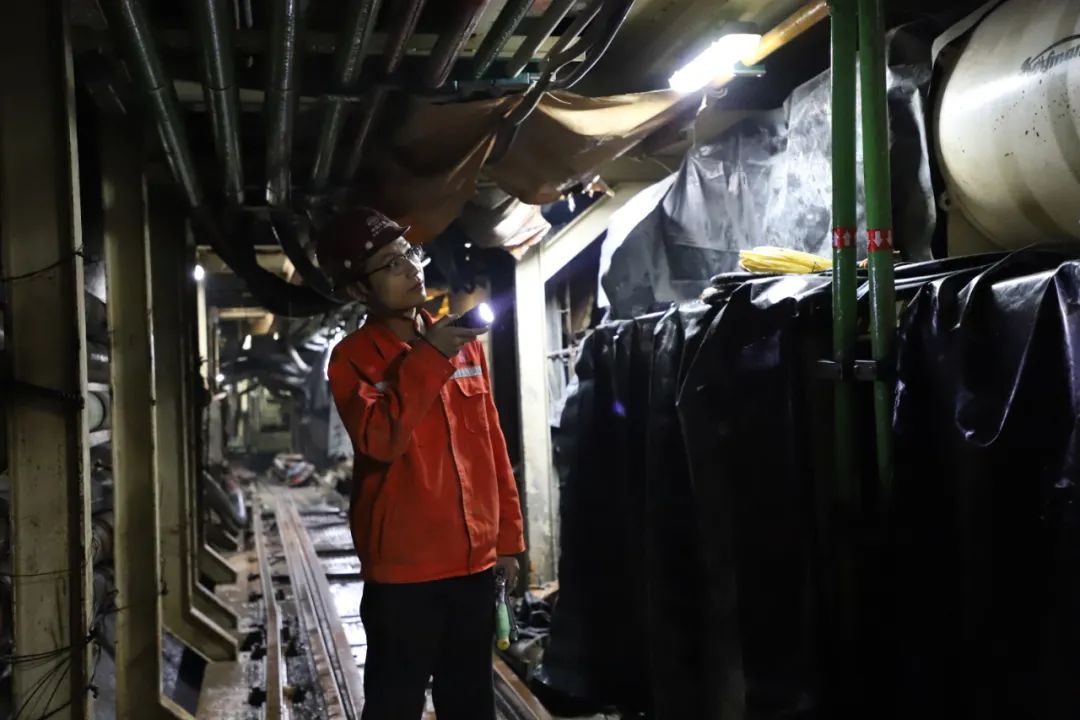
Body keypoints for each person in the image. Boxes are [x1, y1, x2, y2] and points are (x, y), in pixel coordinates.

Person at [318, 207, 526, 720]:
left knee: (470, 703)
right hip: (404, 574)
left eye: (409, 254)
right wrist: (428, 357)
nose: (411, 268)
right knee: (395, 704)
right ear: (358, 289)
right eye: (391, 264)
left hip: (473, 564)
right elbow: (380, 441)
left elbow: (492, 447)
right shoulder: (352, 359)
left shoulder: (463, 346)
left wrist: (507, 542)